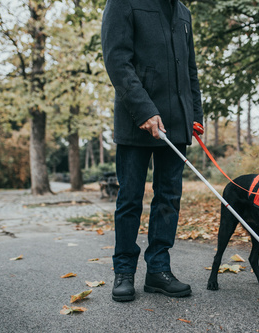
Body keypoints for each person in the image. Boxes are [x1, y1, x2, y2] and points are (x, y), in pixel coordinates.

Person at [101, 0, 204, 302]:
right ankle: (124, 272)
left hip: (177, 125)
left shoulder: (183, 12)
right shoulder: (122, 3)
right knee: (130, 199)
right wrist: (144, 110)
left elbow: (190, 71)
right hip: (137, 122)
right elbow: (117, 60)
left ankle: (158, 271)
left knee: (169, 199)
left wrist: (194, 116)